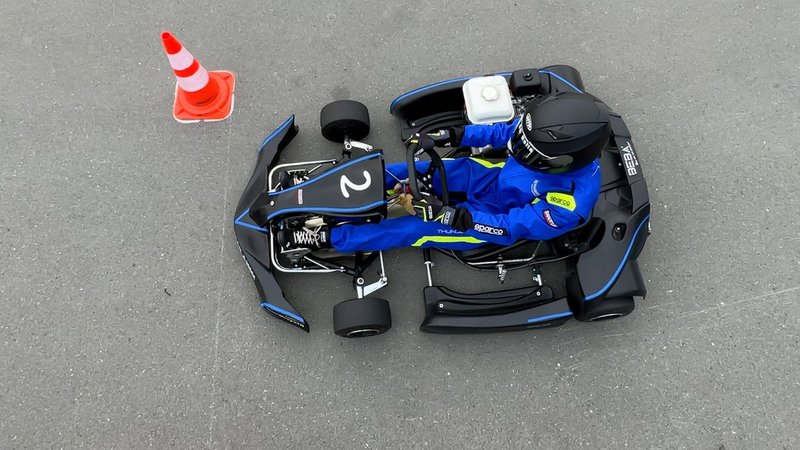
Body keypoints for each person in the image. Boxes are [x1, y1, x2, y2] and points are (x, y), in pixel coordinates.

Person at [278, 91, 610, 253]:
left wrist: (451, 217)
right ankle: (318, 188)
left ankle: (325, 237)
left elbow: (510, 227)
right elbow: (500, 133)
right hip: (489, 176)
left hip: (489, 218)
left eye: (527, 150)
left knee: (411, 228)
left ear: (561, 162)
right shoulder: (540, 134)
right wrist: (450, 134)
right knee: (408, 172)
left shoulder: (569, 205)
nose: (517, 146)